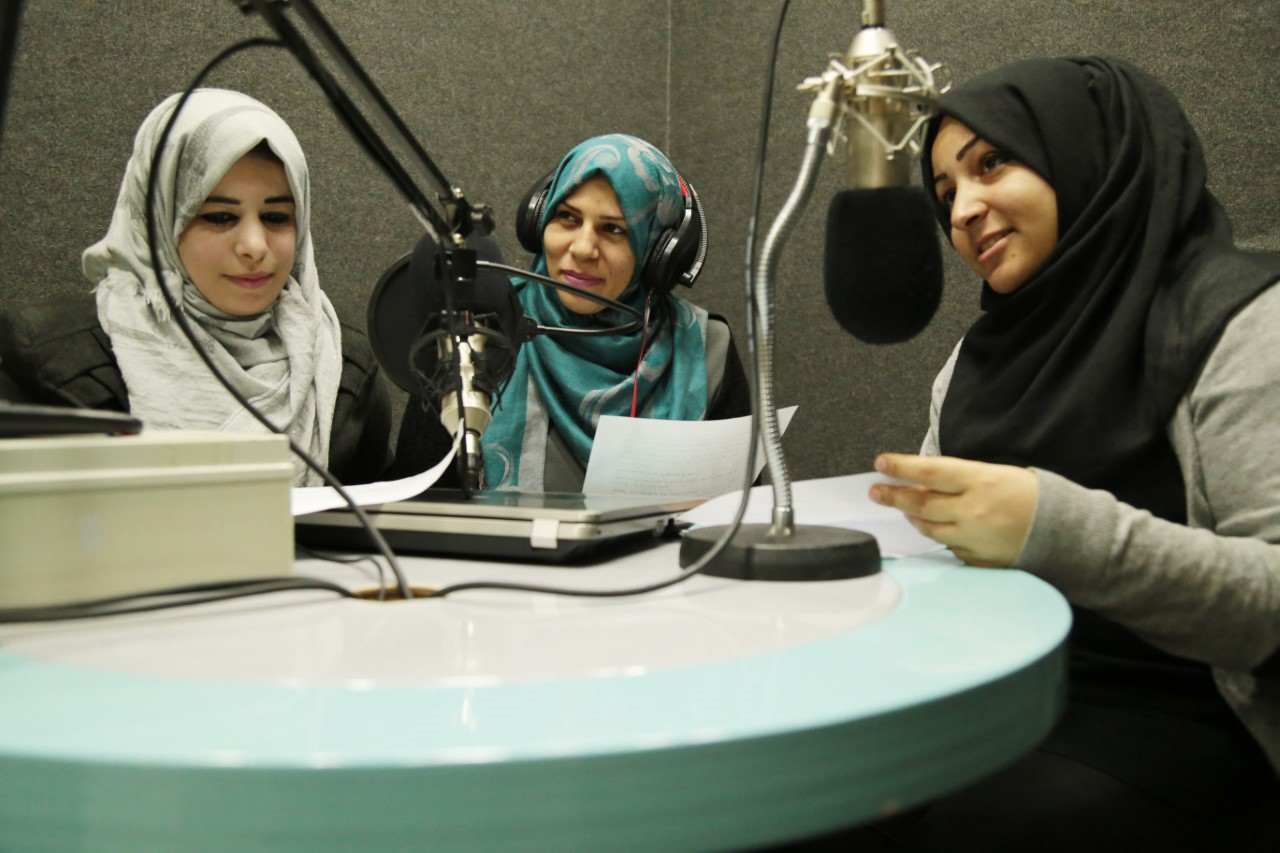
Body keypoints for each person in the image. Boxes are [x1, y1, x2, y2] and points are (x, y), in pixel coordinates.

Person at [827, 56, 1280, 850]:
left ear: (1083, 150)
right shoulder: (970, 364)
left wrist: (1058, 528)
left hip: (1181, 724)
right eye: (944, 194)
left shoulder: (1238, 322)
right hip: (995, 700)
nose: (964, 210)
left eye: (990, 164)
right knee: (814, 804)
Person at [0, 88, 391, 486]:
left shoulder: (345, 369)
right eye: (220, 217)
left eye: (275, 216)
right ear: (161, 220)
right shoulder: (49, 358)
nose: (255, 246)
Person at [390, 133, 749, 492]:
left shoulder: (707, 348)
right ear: (538, 220)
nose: (582, 248)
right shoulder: (478, 328)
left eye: (613, 229)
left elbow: (742, 515)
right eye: (567, 218)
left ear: (658, 252)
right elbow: (411, 507)